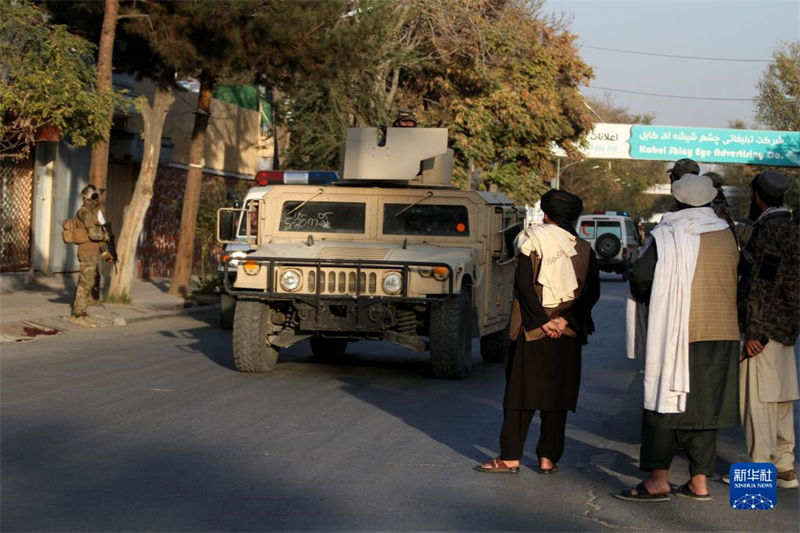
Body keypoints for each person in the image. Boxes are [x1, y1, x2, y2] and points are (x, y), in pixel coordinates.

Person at [618, 173, 739, 502]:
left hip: (679, 332)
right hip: (723, 333)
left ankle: (658, 480)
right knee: (705, 407)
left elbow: (641, 278)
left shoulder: (669, 233)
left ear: (678, 199)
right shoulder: (727, 233)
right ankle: (699, 481)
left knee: (664, 402)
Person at [474, 190, 599, 474]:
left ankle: (509, 458)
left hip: (531, 331)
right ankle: (548, 458)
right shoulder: (584, 249)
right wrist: (564, 320)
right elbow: (591, 294)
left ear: (545, 214)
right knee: (557, 397)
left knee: (520, 395)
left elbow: (524, 288)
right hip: (567, 333)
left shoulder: (532, 241)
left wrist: (542, 321)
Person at [736, 170, 799, 489]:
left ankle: (758, 477)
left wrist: (756, 332)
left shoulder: (770, 231)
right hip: (787, 328)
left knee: (757, 402)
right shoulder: (791, 228)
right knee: (781, 398)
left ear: (758, 197)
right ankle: (786, 468)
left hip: (765, 330)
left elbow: (764, 283)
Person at [70, 184, 108, 328]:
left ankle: (83, 312)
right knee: (84, 284)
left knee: (89, 283)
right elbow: (93, 233)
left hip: (92, 251)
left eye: (96, 195)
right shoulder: (85, 212)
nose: (96, 198)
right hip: (86, 251)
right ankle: (77, 315)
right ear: (85, 197)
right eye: (93, 195)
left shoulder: (92, 212)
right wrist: (105, 236)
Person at [704, 171, 736, 235]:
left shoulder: (720, 201)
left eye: (720, 186)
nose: (721, 189)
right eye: (717, 186)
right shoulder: (716, 202)